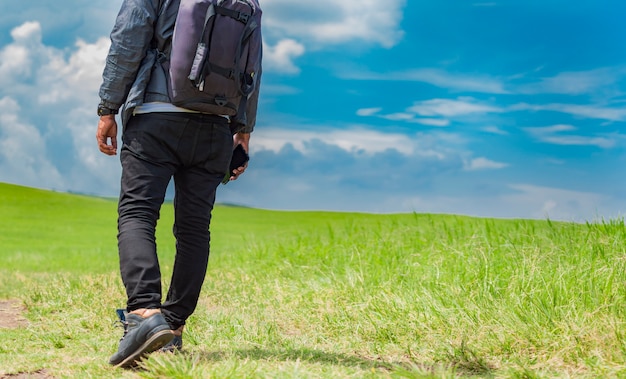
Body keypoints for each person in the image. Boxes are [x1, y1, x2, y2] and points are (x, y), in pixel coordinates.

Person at [95, 0, 261, 368]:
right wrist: (243, 130)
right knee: (194, 229)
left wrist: (108, 107)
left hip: (156, 117)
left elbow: (127, 41)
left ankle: (143, 314)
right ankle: (173, 326)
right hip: (216, 124)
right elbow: (253, 65)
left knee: (137, 214)